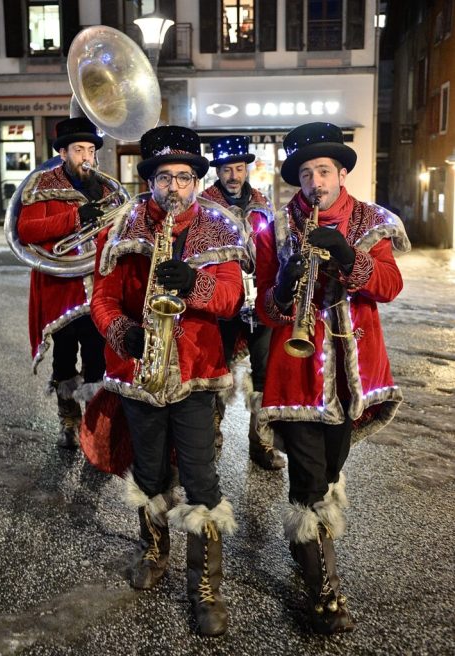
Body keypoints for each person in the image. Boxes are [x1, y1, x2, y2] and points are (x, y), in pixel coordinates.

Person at [90, 125, 248, 637]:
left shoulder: (219, 229)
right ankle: (154, 550)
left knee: (202, 479)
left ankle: (205, 587)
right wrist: (120, 332)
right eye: (165, 178)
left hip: (197, 375)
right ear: (151, 182)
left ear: (196, 182)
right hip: (140, 375)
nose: (174, 187)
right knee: (150, 472)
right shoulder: (123, 227)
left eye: (184, 177)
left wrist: (195, 283)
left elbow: (230, 300)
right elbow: (102, 299)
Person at [254, 122, 411, 634]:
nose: (315, 181)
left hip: (352, 374)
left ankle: (305, 539)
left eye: (324, 171)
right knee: (311, 475)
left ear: (342, 173)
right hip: (296, 372)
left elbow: (389, 286)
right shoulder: (275, 227)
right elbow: (265, 311)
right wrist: (282, 281)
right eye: (306, 173)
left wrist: (347, 257)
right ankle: (326, 594)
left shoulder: (371, 221)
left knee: (330, 467)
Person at [17, 116, 116, 449]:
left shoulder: (104, 187)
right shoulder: (42, 184)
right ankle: (69, 422)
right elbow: (27, 230)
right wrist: (75, 218)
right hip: (61, 288)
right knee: (63, 357)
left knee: (97, 356)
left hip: (97, 286)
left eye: (90, 150)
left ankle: (95, 427)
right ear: (62, 152)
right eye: (79, 150)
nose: (86, 156)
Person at [201, 135, 283, 470]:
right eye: (227, 169)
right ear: (217, 171)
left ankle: (261, 444)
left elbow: (273, 251)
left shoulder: (263, 201)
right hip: (222, 303)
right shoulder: (204, 205)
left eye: (238, 168)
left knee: (265, 374)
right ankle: (210, 437)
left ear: (246, 169)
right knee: (215, 371)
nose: (234, 175)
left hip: (259, 302)